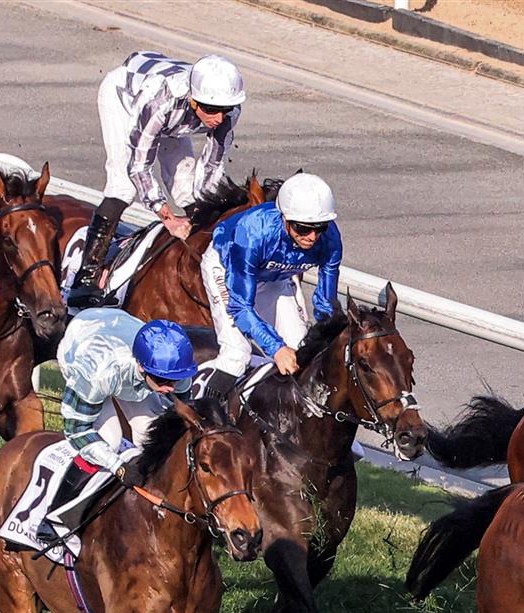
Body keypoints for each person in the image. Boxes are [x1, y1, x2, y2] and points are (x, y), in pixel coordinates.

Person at [68, 51, 246, 308]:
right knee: (123, 186)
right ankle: (86, 277)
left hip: (176, 118)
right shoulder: (159, 101)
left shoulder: (229, 112)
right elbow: (139, 167)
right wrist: (169, 218)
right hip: (125, 99)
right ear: (194, 99)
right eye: (211, 109)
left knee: (189, 192)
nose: (218, 118)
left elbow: (211, 169)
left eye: (224, 110)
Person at [38, 307, 198, 541]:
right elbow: (77, 430)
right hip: (83, 346)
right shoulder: (98, 373)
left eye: (175, 379)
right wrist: (118, 467)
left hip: (119, 334)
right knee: (110, 440)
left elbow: (179, 417)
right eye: (164, 380)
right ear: (142, 367)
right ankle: (55, 515)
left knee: (150, 432)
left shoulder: (176, 371)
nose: (171, 388)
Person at [196, 172, 341, 400]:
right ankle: (201, 414)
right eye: (303, 228)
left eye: (319, 227)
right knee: (237, 355)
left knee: (303, 353)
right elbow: (241, 307)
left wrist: (331, 337)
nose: (312, 237)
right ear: (284, 218)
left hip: (276, 277)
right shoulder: (253, 231)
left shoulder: (331, 239)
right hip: (227, 269)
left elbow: (327, 304)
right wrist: (276, 349)